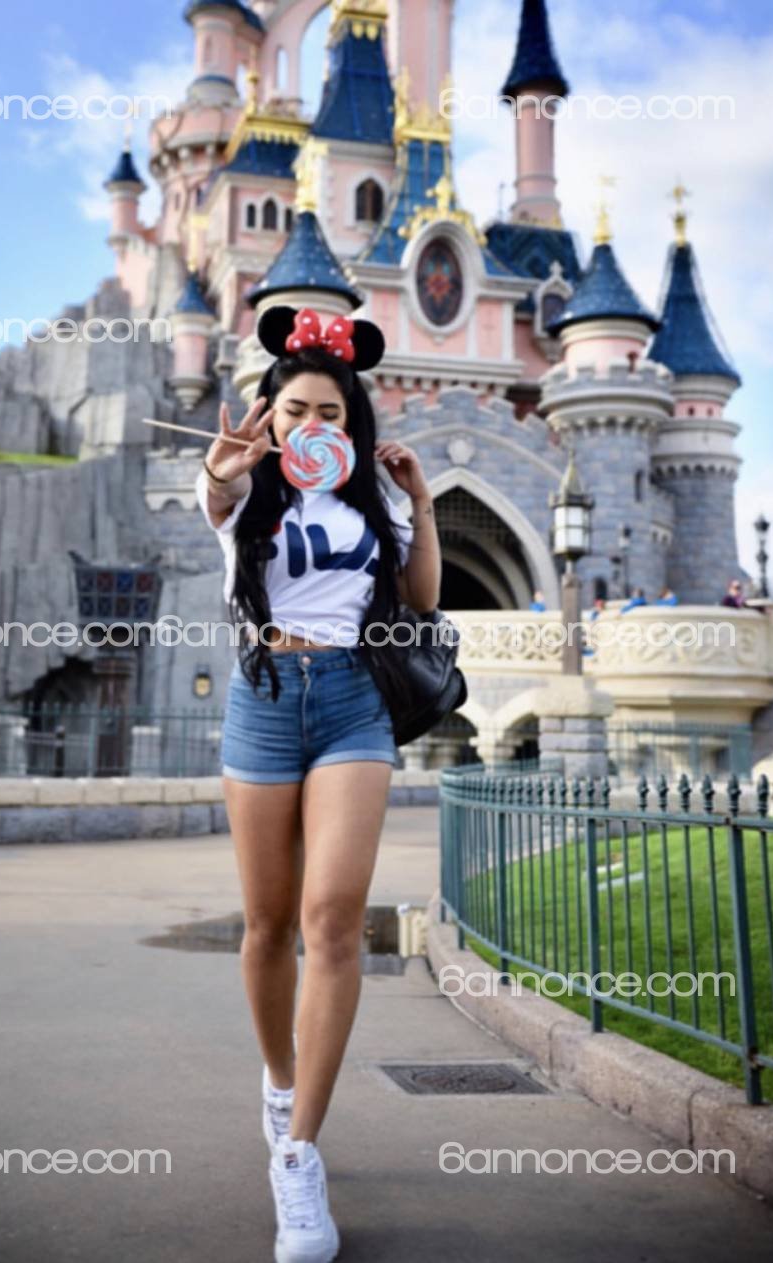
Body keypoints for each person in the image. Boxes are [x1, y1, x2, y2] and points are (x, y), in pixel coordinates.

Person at [195, 305, 440, 1263]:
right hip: (263, 698)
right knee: (266, 925)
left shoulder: (374, 501)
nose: (311, 425)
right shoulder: (244, 490)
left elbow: (421, 600)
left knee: (332, 920)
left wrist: (419, 503)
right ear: (270, 413)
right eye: (295, 409)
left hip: (353, 702)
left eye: (329, 413)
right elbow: (215, 490)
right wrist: (226, 467)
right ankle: (279, 1077)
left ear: (351, 422)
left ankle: (298, 1155)